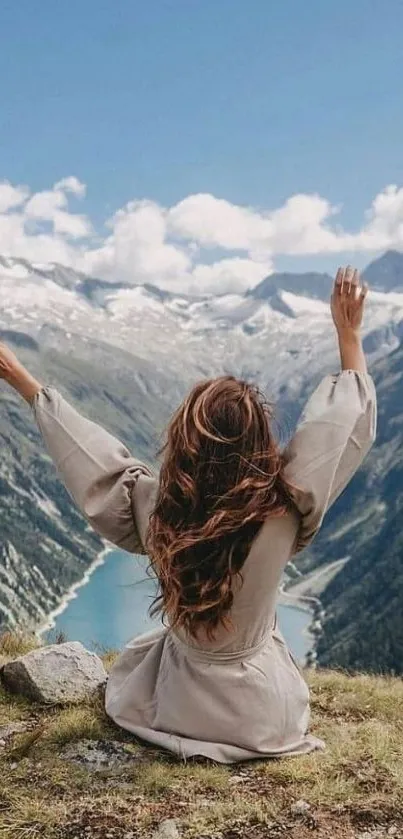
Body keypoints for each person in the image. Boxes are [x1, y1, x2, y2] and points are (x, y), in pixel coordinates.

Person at [0, 265, 376, 763]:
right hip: (265, 716)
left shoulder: (156, 506)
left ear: (185, 442)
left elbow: (91, 458)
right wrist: (348, 335)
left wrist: (27, 385)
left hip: (178, 705)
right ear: (259, 442)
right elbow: (337, 427)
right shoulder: (287, 503)